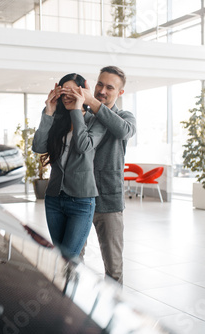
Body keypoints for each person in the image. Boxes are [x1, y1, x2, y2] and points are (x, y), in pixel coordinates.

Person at [32, 73, 106, 260]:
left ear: (83, 92)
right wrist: (48, 111)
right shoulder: (57, 119)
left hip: (81, 201)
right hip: (54, 199)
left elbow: (83, 146)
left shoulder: (96, 121)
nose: (67, 96)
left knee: (69, 260)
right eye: (63, 91)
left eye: (72, 91)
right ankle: (64, 290)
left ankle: (66, 289)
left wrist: (77, 110)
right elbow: (39, 146)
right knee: (59, 259)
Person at [78, 66, 136, 284]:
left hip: (109, 200)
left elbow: (122, 130)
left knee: (114, 269)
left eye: (109, 87)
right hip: (79, 197)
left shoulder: (125, 117)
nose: (102, 90)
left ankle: (115, 314)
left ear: (120, 93)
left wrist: (93, 103)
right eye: (99, 84)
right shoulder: (83, 115)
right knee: (73, 262)